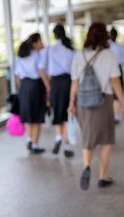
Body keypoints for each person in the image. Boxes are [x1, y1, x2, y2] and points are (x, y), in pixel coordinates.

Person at [68, 22, 124, 190]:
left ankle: (86, 166)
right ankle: (102, 176)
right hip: (104, 100)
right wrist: (122, 103)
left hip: (83, 102)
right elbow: (115, 81)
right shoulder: (108, 55)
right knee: (105, 140)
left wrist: (72, 103)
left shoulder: (79, 55)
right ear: (105, 36)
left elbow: (74, 82)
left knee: (87, 137)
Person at [39, 24, 75, 158]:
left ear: (54, 35)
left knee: (57, 111)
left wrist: (48, 86)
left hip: (55, 83)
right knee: (67, 113)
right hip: (68, 82)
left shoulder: (48, 50)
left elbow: (41, 69)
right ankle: (66, 146)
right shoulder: (71, 50)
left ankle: (58, 137)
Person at [14, 33, 48, 154]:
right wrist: (48, 87)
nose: (42, 44)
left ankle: (29, 139)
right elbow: (42, 72)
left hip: (24, 87)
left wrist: (22, 88)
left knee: (28, 116)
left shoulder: (20, 56)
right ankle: (35, 144)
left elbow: (17, 76)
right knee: (37, 117)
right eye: (40, 41)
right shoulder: (37, 55)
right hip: (36, 86)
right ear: (35, 43)